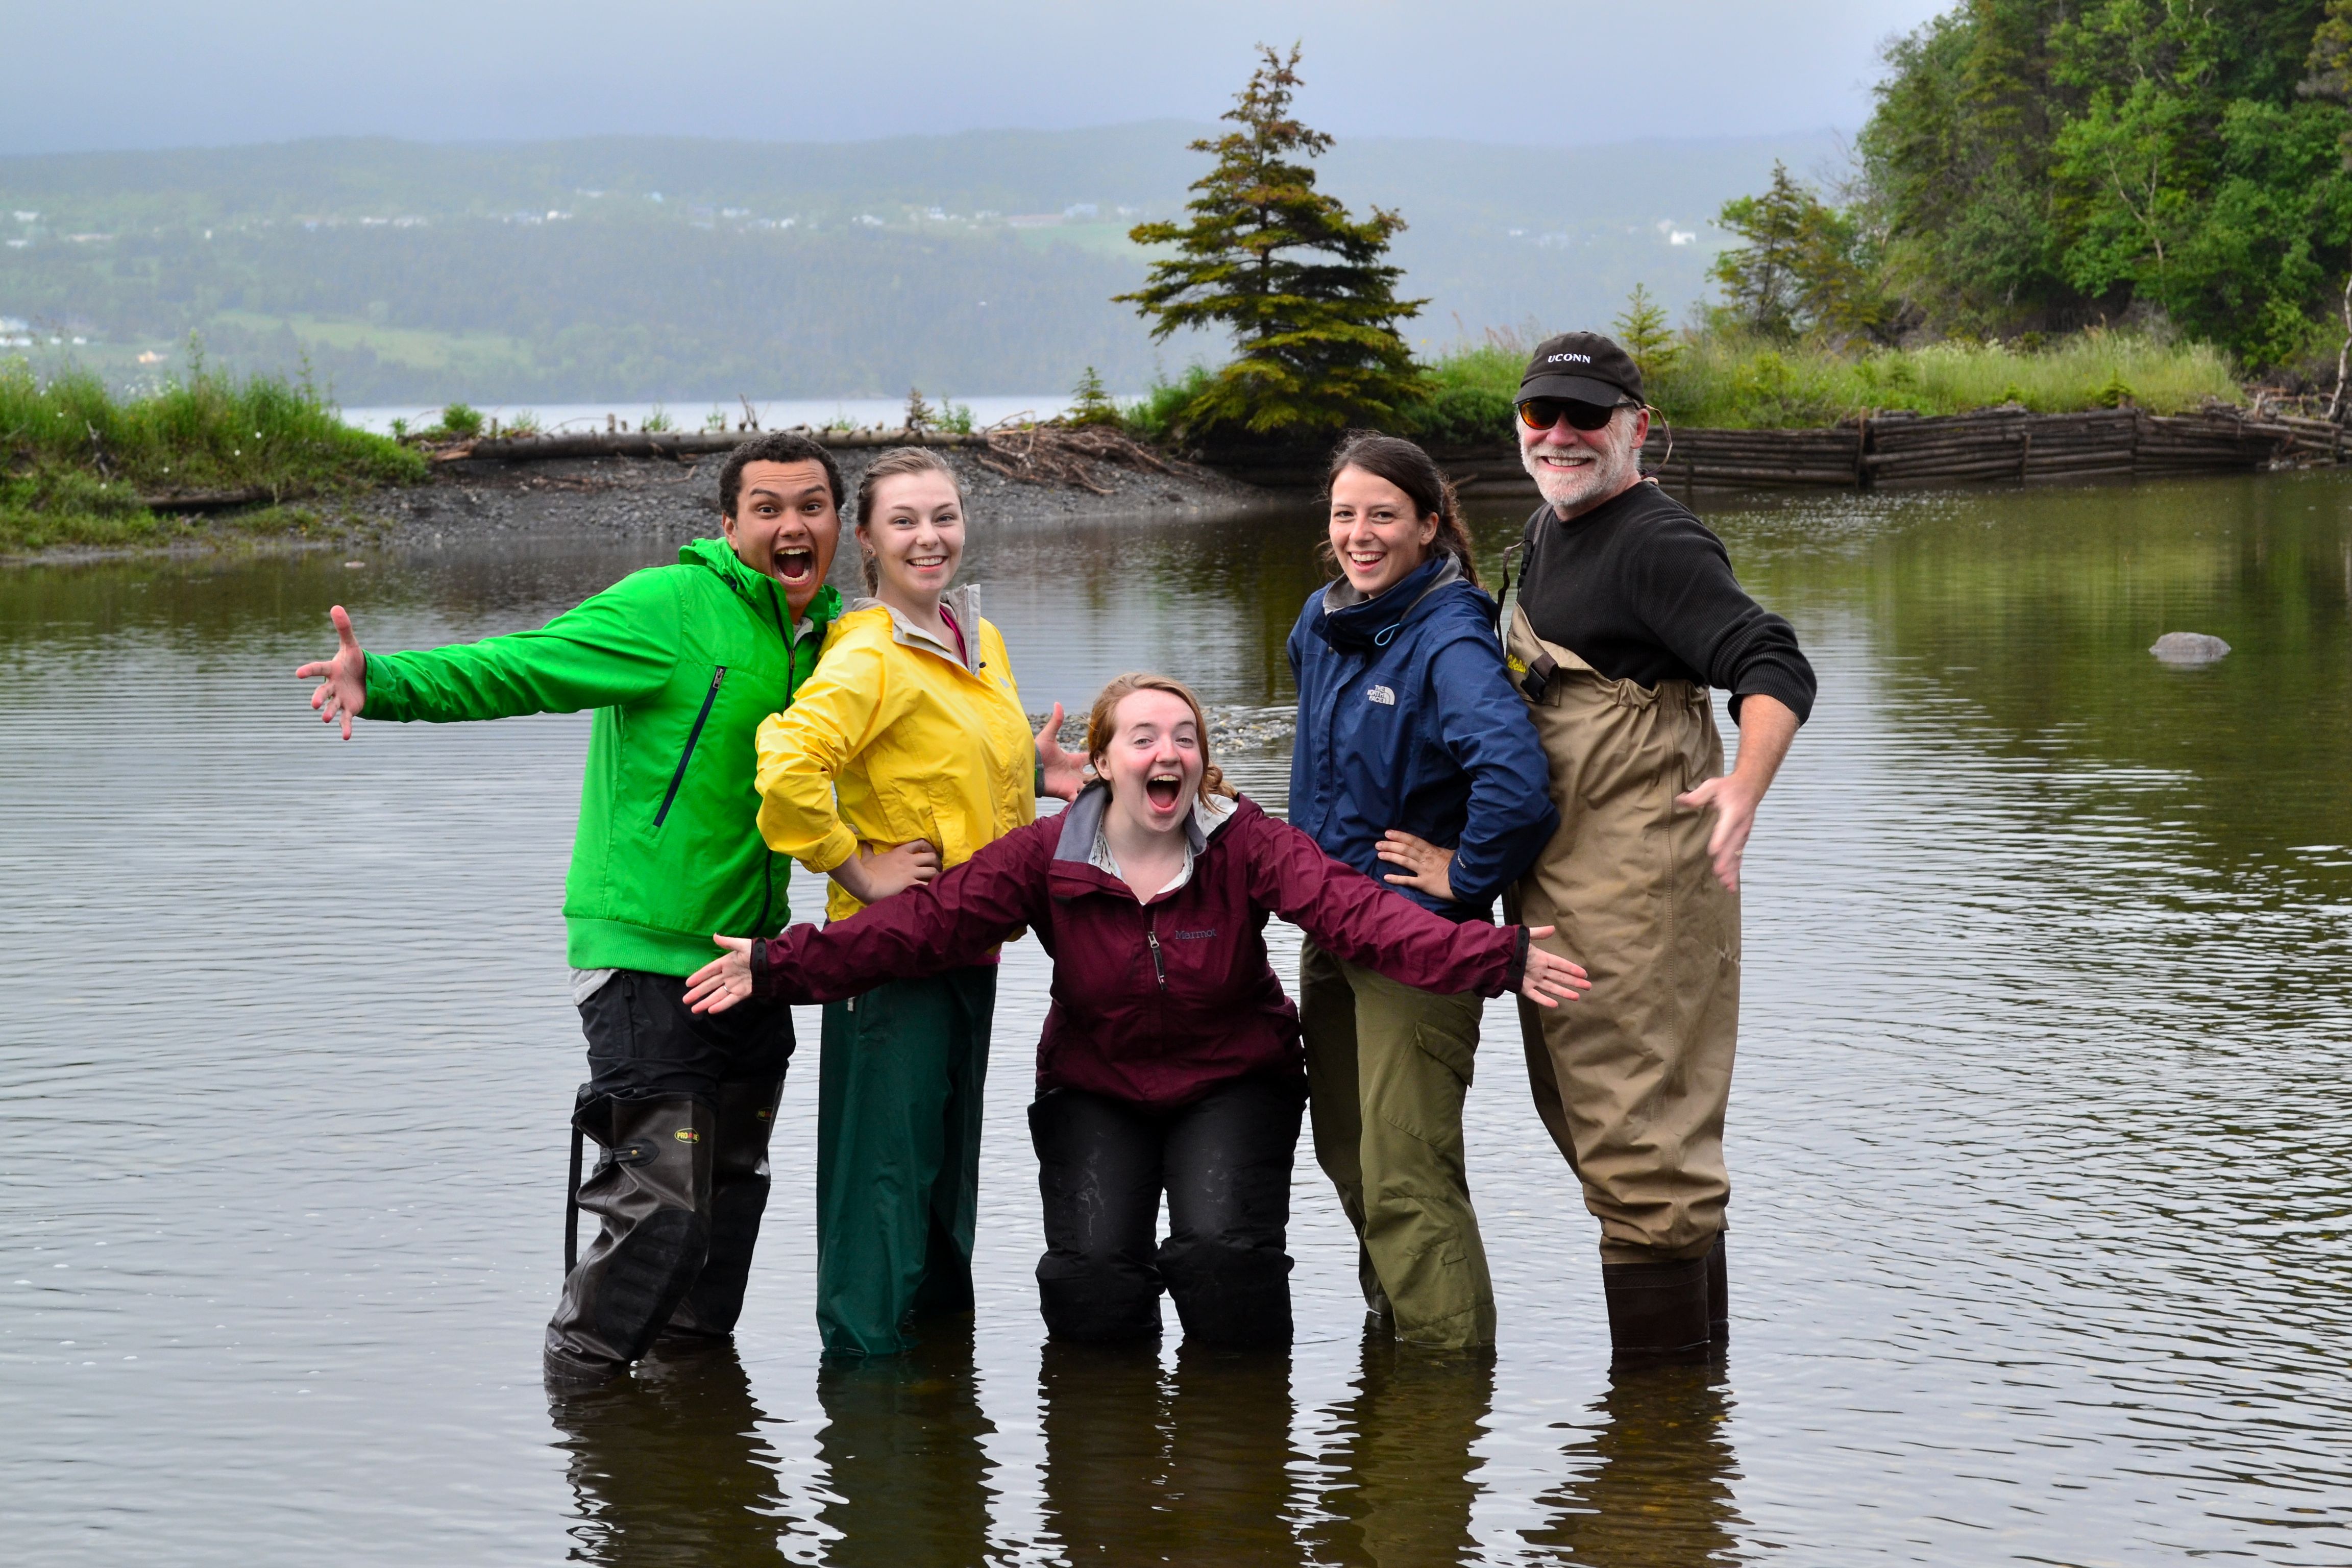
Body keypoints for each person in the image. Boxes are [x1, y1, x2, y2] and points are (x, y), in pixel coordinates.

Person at [688, 673, 1591, 1350]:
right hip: (1097, 1084)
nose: (1169, 753)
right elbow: (919, 930)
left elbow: (1364, 918)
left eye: (1186, 737)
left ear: (1200, 762)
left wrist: (1497, 955)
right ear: (1104, 760)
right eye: (1144, 737)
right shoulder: (1046, 855)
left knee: (1221, 1260)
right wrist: (776, 965)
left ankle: (1236, 1466)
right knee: (1088, 1282)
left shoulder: (1249, 842)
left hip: (1234, 1079)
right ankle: (1103, 1469)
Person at [295, 431, 850, 1386]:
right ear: (728, 525)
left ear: (838, 524)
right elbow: (526, 665)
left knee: (728, 1203)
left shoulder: (836, 642)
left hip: (754, 965)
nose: (791, 525)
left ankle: (688, 1448)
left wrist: (1039, 773)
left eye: (811, 506)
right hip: (643, 959)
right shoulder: (671, 608)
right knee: (662, 1210)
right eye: (768, 507)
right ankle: (583, 1396)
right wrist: (380, 681)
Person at [1501, 331, 1817, 1367]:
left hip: (1642, 886)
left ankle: (1659, 1461)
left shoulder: (1652, 539)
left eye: (1586, 417)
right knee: (1621, 1140)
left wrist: (1746, 787)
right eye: (1541, 414)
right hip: (1571, 882)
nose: (1560, 435)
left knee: (1643, 1153)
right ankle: (1688, 1436)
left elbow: (1771, 659)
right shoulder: (1552, 532)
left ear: (1638, 429)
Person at [751, 446, 1083, 1357]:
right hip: (890, 963)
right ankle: (865, 1406)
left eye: (943, 517)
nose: (929, 537)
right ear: (865, 539)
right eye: (905, 522)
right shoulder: (869, 653)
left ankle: (942, 1417)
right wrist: (856, 868)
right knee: (882, 1200)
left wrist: (1030, 768)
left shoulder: (975, 638)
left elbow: (952, 763)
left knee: (942, 1199)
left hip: (971, 952)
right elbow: (787, 765)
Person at [1286, 431, 1559, 1351]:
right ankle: (1402, 1335)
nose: (1360, 535)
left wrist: (1465, 873)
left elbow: (1516, 784)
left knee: (1407, 1170)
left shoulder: (1448, 638)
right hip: (1331, 926)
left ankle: (1446, 1394)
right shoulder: (1322, 625)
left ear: (1430, 526)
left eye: (1383, 517)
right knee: (1350, 1156)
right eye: (1344, 515)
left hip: (1414, 940)